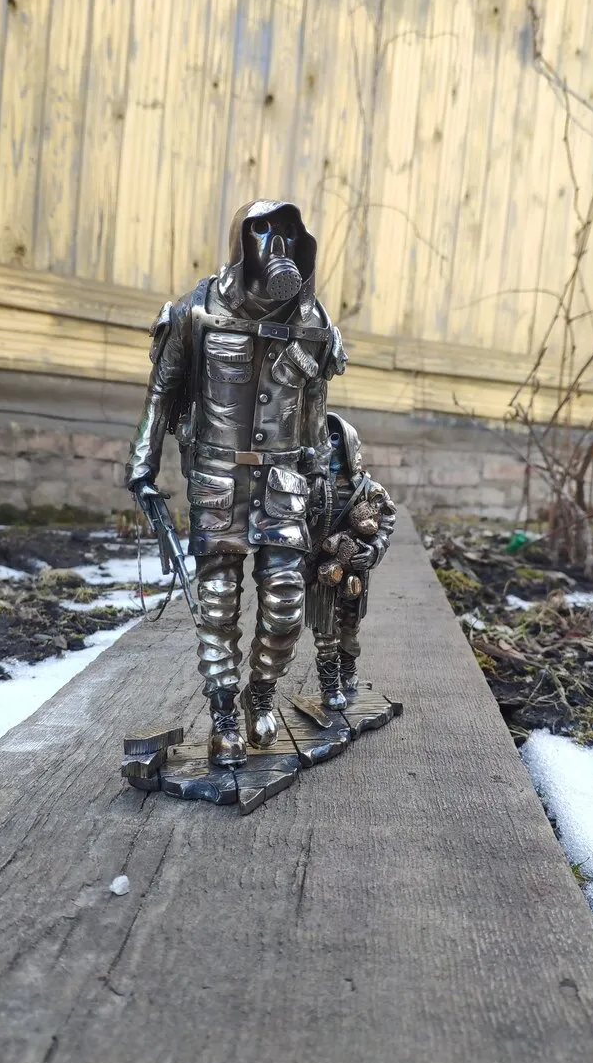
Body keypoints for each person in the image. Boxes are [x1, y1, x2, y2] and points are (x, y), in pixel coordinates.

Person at [125, 200, 346, 765]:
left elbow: (315, 408)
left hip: (284, 482)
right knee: (218, 605)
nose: (277, 245)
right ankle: (223, 711)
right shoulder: (196, 309)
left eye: (288, 233)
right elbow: (162, 390)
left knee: (286, 606)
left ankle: (261, 693)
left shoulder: (313, 321)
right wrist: (142, 465)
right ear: (241, 240)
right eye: (263, 230)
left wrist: (322, 474)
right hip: (218, 479)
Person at [305, 413, 396, 709]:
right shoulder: (309, 486)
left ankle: (348, 670)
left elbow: (387, 520)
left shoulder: (369, 488)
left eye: (336, 439)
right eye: (325, 438)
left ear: (348, 445)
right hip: (320, 568)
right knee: (325, 632)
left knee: (350, 626)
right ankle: (330, 687)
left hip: (355, 570)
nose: (330, 446)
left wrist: (375, 550)